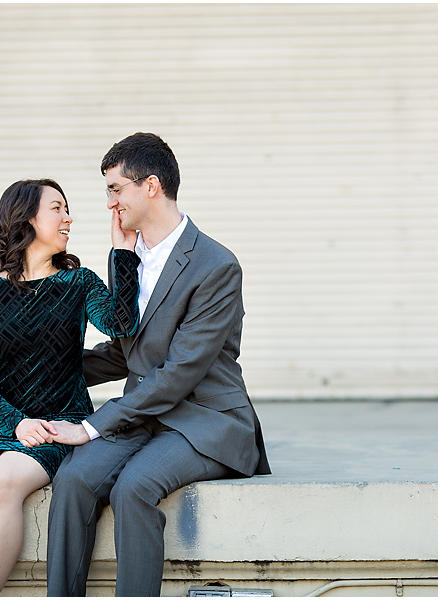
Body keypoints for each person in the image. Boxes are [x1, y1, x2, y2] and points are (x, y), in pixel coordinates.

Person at [46, 132, 271, 597]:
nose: (109, 203)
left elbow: (179, 371)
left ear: (150, 186)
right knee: (72, 479)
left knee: (133, 488)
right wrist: (38, 370)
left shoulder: (215, 265)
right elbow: (125, 350)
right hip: (146, 414)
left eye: (115, 189)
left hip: (205, 419)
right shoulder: (130, 256)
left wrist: (90, 427)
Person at [0, 179, 141, 596]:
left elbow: (122, 324)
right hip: (2, 422)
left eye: (67, 209)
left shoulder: (78, 282)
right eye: (57, 208)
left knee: (7, 479)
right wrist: (15, 423)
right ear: (26, 218)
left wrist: (123, 253)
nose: (68, 217)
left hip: (57, 423)